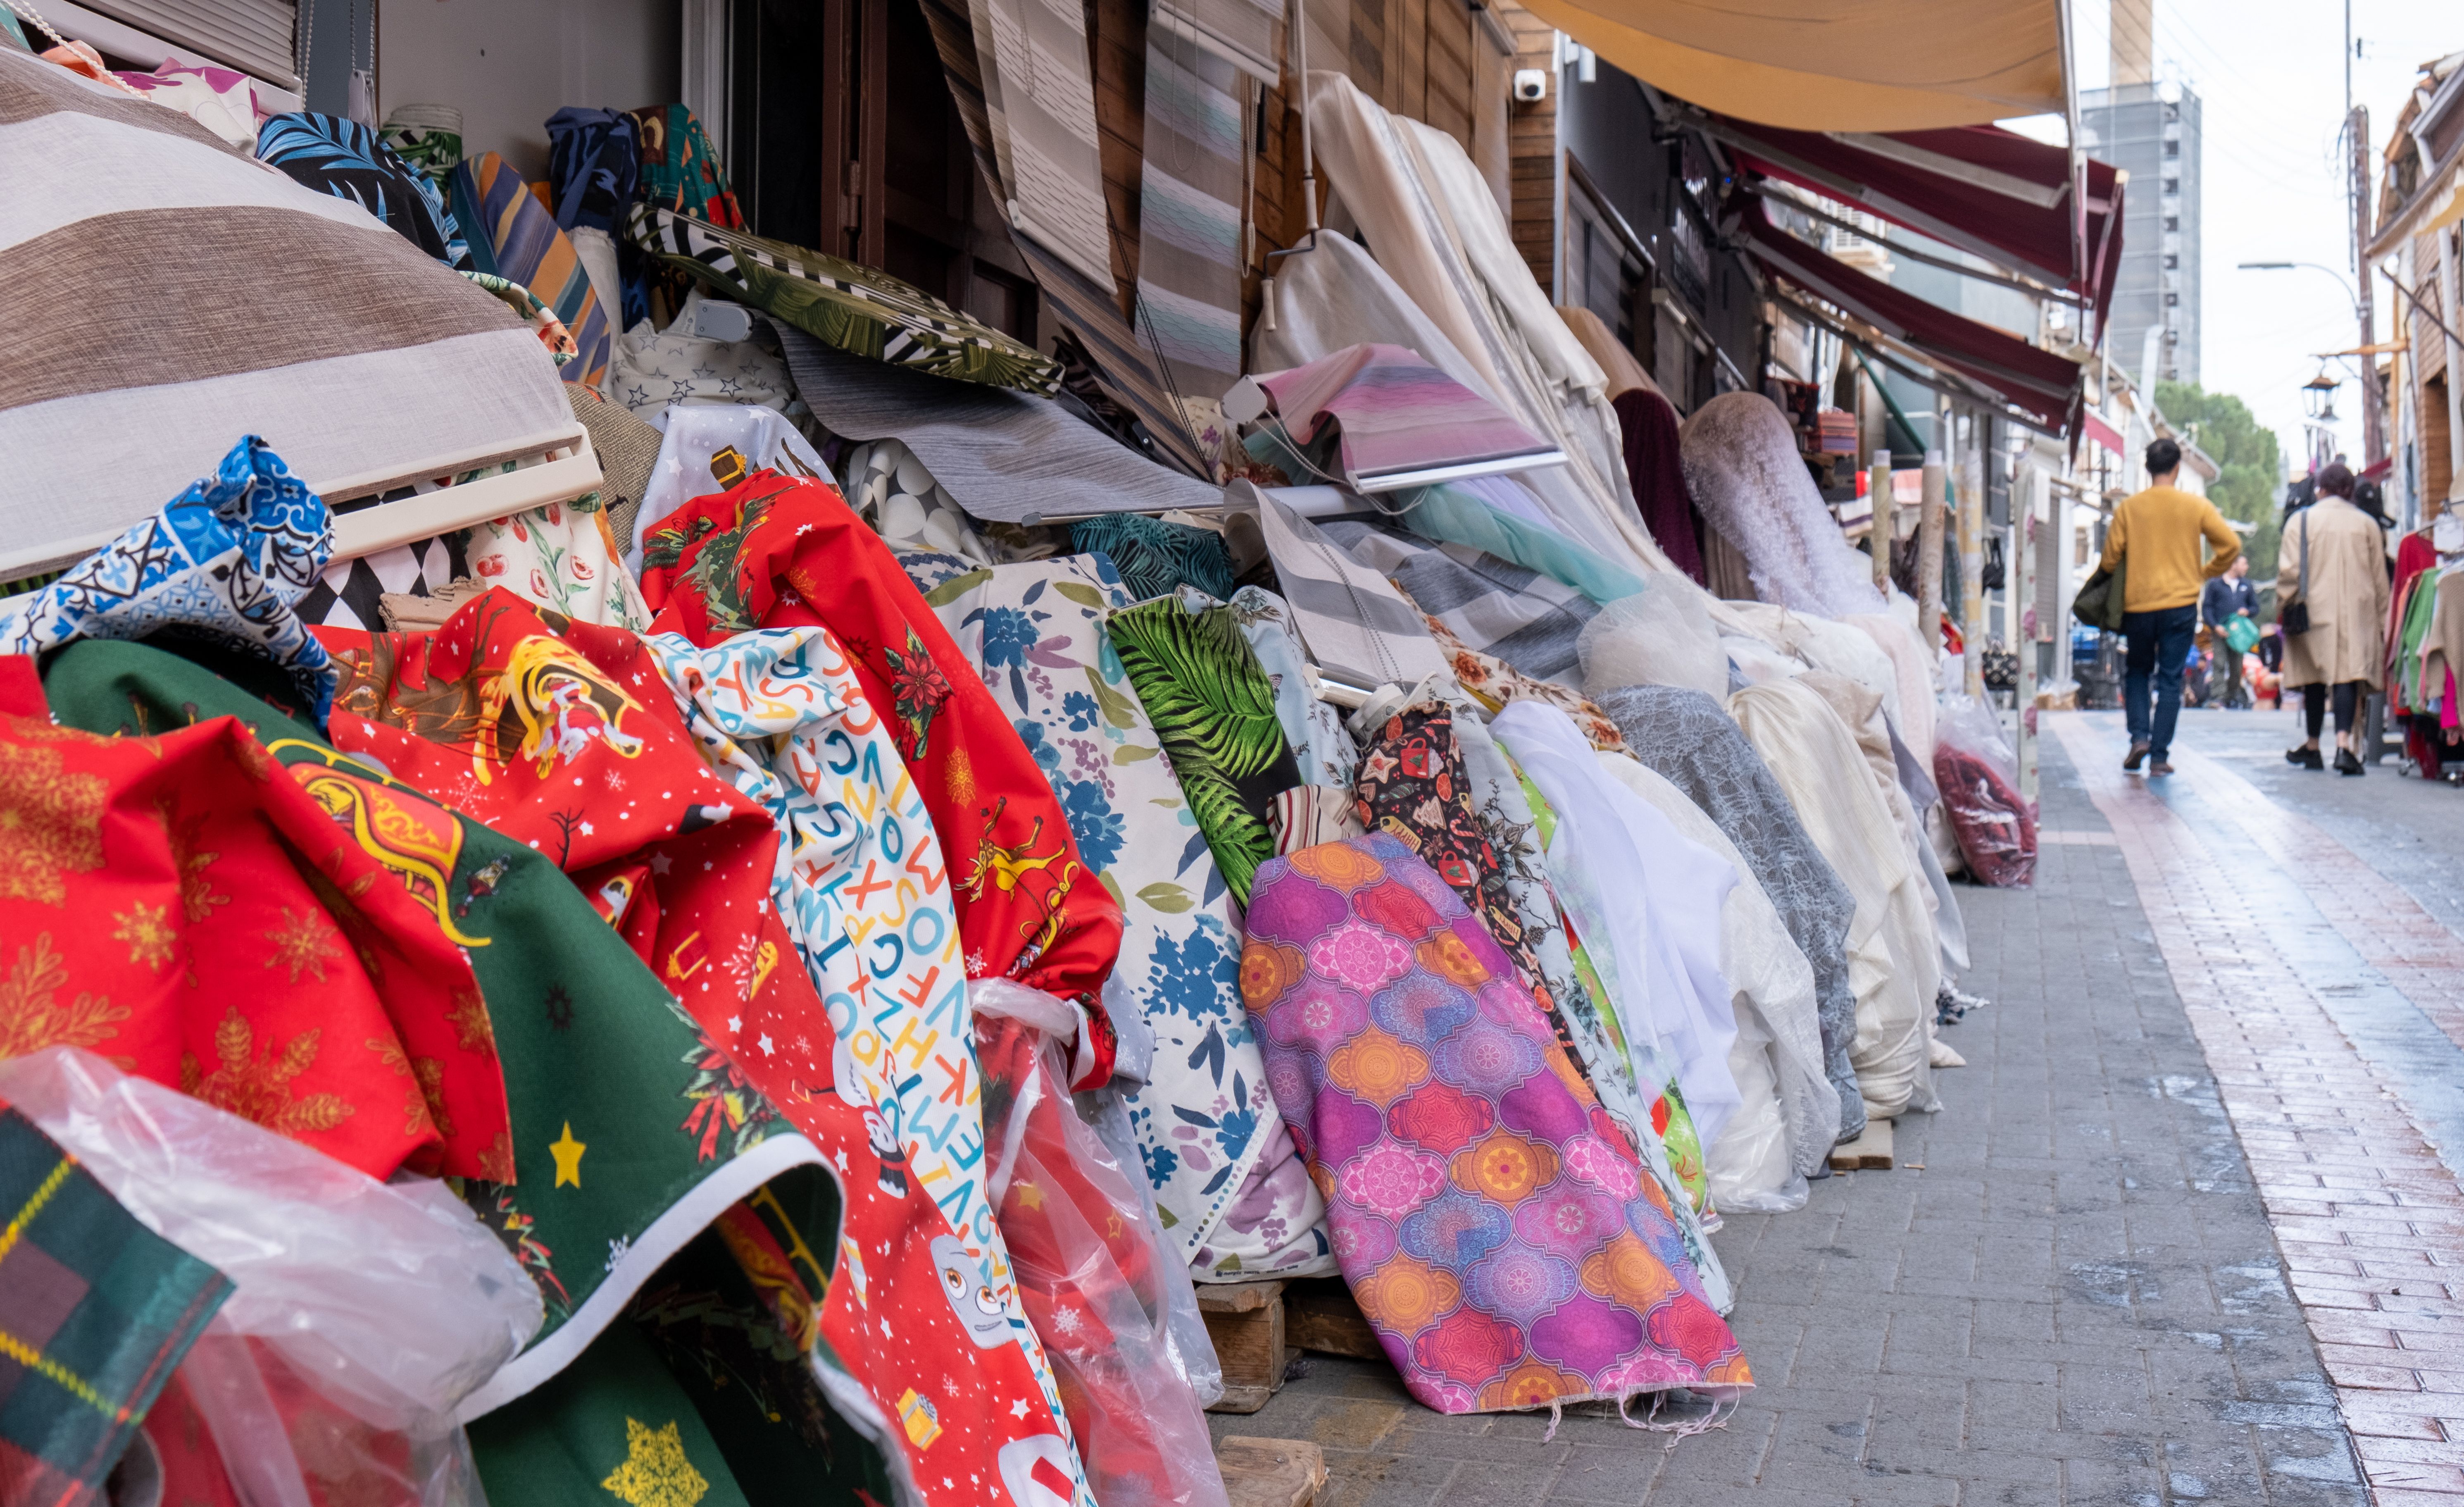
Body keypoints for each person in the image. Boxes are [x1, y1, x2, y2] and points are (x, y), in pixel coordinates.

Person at [2098, 437, 2241, 775]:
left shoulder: (2129, 509)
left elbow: (2108, 560)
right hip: (2180, 604)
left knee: (2136, 672)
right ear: (2177, 469)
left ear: (2147, 468)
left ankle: (2138, 738)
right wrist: (2204, 573)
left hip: (2139, 605)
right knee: (2170, 678)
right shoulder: (2196, 507)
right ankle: (2160, 757)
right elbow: (2231, 545)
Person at [2278, 461, 2390, 775]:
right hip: (2357, 611)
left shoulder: (2299, 522)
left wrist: (2283, 603)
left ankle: (2313, 746)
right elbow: (2380, 580)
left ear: (2320, 488)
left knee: (2313, 677)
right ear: (2349, 490)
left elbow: (2288, 572)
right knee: (2347, 674)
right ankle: (2343, 746)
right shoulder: (2367, 524)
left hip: (2311, 610)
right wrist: (2383, 621)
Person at [2201, 556, 2258, 708]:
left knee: (2237, 665)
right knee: (2219, 663)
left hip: (2239, 634)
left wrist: (2248, 611)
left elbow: (2255, 607)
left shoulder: (2247, 585)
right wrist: (2214, 626)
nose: (2246, 567)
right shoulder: (2215, 584)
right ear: (2233, 565)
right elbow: (2207, 607)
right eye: (2244, 564)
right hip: (2220, 630)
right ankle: (2218, 696)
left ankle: (2232, 694)